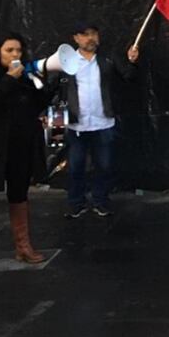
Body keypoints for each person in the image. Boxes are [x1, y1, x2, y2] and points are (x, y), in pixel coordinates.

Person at [0, 32, 51, 264]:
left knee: (19, 193)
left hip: (21, 144)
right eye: (9, 50)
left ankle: (23, 247)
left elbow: (37, 105)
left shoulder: (26, 76)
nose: (15, 55)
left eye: (18, 50)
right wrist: (8, 81)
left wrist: (44, 84)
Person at [61, 22, 138, 219]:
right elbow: (53, 87)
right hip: (76, 123)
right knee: (76, 166)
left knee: (104, 165)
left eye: (94, 34)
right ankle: (75, 203)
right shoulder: (66, 62)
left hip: (103, 122)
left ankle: (100, 201)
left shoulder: (106, 60)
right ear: (76, 38)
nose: (90, 38)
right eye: (85, 34)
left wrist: (131, 61)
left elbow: (127, 76)